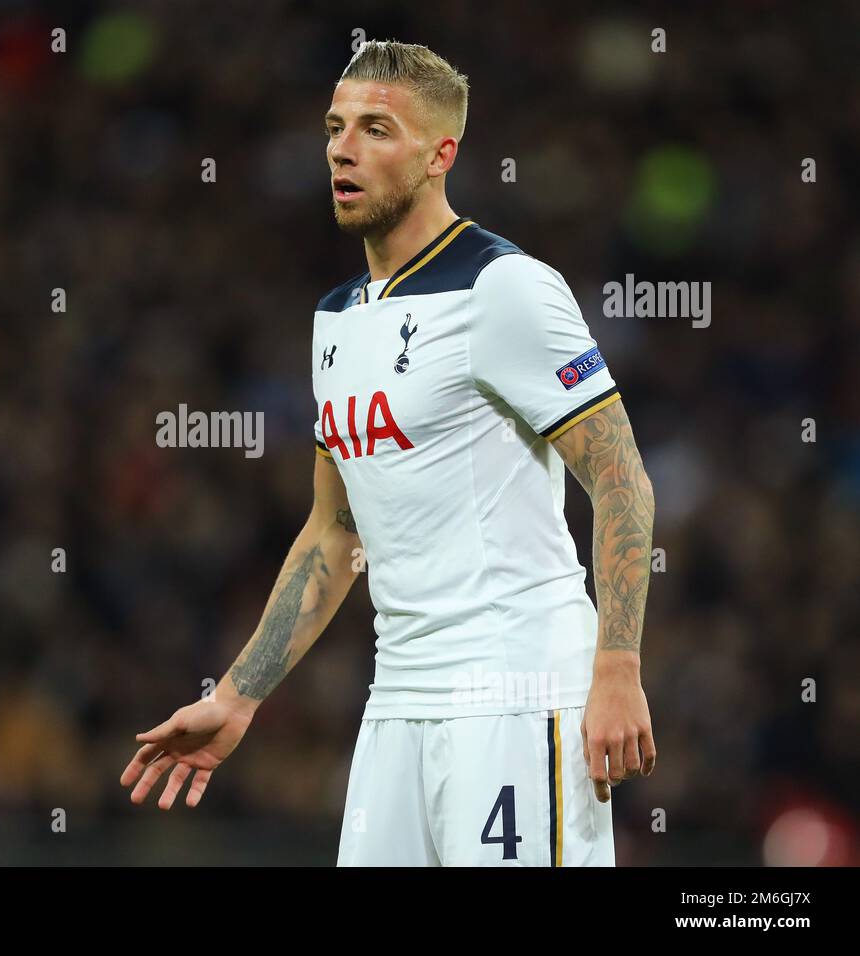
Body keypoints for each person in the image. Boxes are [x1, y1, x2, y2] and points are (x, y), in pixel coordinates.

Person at [120, 39, 657, 866]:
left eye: (376, 128)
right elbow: (335, 535)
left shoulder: (502, 287)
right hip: (398, 704)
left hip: (514, 696)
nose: (342, 147)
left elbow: (621, 481)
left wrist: (615, 665)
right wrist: (235, 697)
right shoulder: (336, 319)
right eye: (336, 127)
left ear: (441, 153)